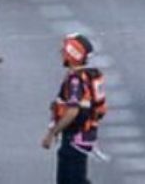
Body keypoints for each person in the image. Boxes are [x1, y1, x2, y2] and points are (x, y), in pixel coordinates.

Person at [43, 34, 106, 184]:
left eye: (64, 50)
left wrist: (52, 132)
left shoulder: (75, 80)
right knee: (77, 175)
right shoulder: (89, 74)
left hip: (74, 135)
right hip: (85, 133)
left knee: (71, 177)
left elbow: (72, 111)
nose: (61, 52)